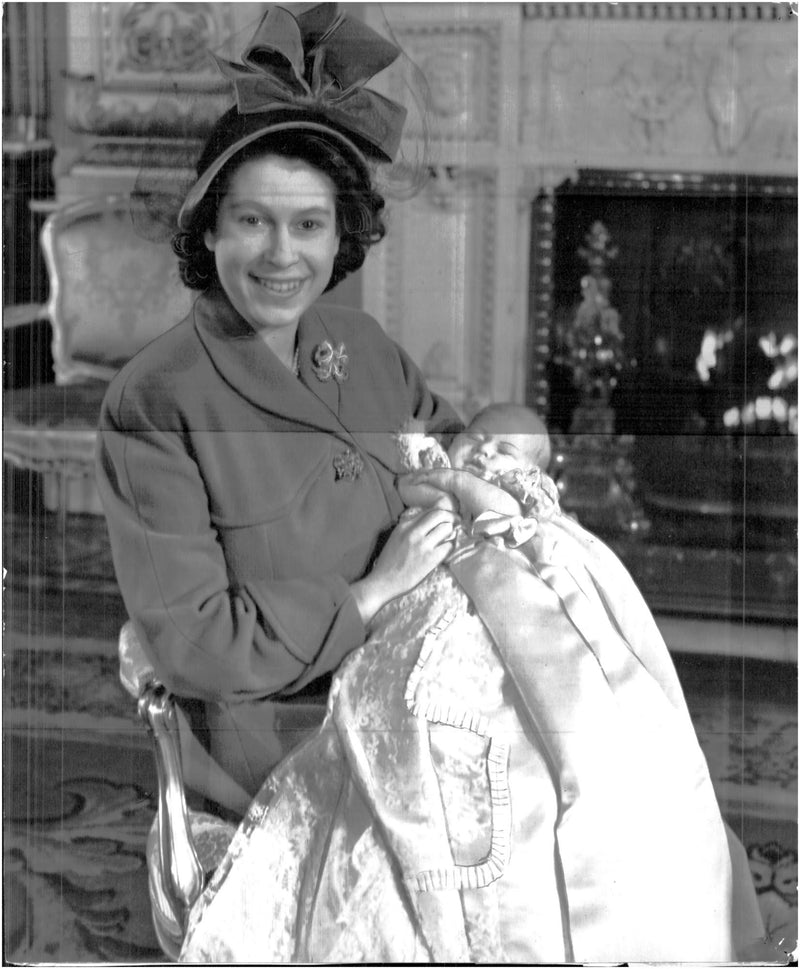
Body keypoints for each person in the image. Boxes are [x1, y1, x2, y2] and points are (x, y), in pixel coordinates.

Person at [178, 403, 766, 963]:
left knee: (559, 716)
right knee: (408, 710)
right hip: (427, 603)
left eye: (505, 450)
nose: (484, 453)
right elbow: (412, 481)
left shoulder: (526, 500)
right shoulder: (430, 474)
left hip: (512, 598)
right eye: (476, 440)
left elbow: (540, 527)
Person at [96, 3, 462, 813]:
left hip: (421, 690)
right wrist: (372, 595)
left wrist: (474, 490)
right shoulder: (153, 404)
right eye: (252, 221)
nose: (280, 254)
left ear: (342, 240)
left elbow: (455, 449)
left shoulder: (361, 342)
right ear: (209, 229)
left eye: (308, 224)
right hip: (282, 739)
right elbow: (197, 645)